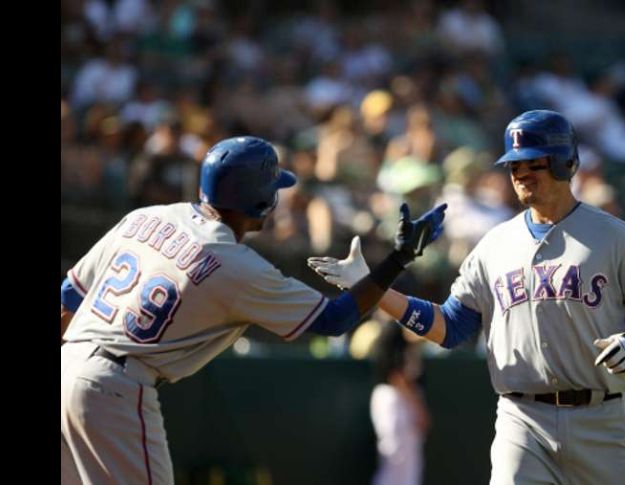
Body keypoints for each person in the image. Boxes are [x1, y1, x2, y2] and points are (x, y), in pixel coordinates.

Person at [308, 110, 625, 485]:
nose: (521, 173)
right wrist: (374, 290)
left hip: (601, 417)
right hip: (521, 419)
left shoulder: (614, 236)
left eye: (533, 162)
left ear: (565, 164)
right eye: (513, 165)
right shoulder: (494, 244)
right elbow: (452, 327)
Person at [60, 135, 448, 484]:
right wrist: (397, 259)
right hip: (114, 389)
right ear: (264, 201)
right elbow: (334, 320)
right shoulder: (236, 265)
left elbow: (68, 298)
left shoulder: (146, 217)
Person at [370, 324, 430, 485]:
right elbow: (396, 376)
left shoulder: (410, 347)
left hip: (401, 400)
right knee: (396, 459)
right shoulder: (393, 342)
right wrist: (418, 408)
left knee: (410, 465)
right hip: (394, 401)